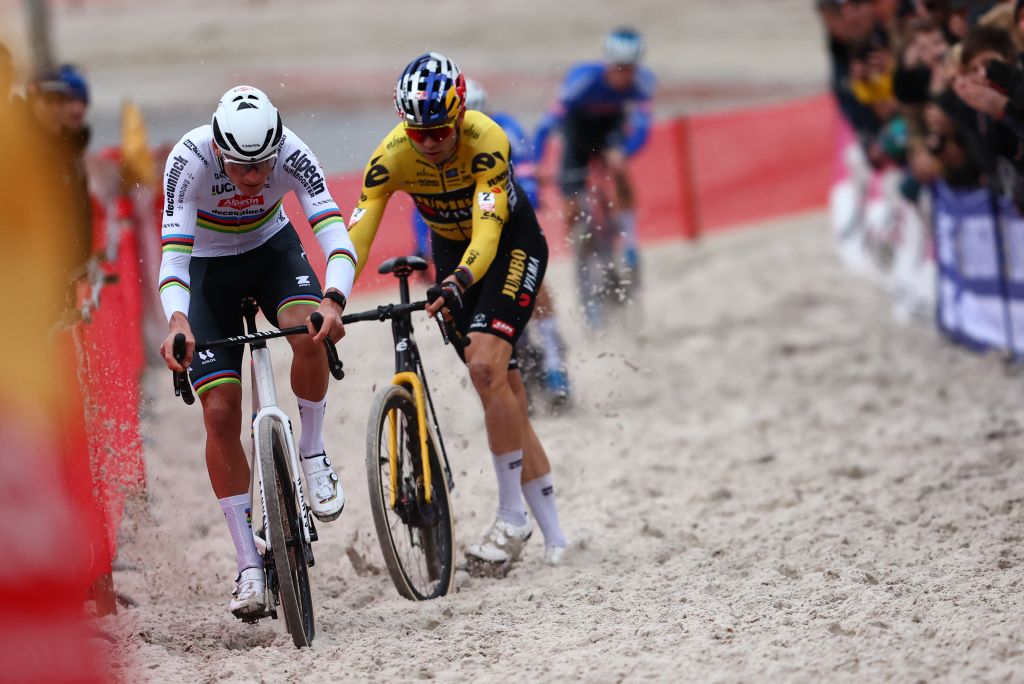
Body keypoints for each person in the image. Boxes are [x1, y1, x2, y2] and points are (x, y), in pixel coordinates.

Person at [347, 53, 570, 567]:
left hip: (509, 245)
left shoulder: (487, 138)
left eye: (439, 131)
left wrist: (460, 280)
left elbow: (489, 229)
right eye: (417, 133)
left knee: (485, 366)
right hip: (451, 252)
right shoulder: (391, 155)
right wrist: (332, 294)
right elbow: (358, 233)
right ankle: (556, 537)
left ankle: (512, 519)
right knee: (502, 387)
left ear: (460, 114)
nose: (428, 144)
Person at [157, 85, 357, 619]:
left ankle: (312, 455)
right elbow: (174, 260)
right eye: (243, 168)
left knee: (308, 331)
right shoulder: (189, 158)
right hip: (207, 270)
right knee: (219, 410)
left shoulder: (292, 151)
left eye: (264, 166)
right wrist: (177, 318)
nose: (255, 178)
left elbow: (336, 235)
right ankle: (248, 562)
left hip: (272, 252)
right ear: (220, 150)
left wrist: (334, 300)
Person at [411, 78, 572, 405]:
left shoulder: (504, 130)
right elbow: (421, 207)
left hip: (507, 220)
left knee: (535, 287)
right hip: (469, 234)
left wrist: (534, 196)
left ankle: (555, 359)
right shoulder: (437, 150)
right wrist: (422, 247)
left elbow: (525, 173)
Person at [533, 27, 655, 293]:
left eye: (630, 69)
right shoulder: (583, 78)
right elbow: (545, 126)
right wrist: (538, 162)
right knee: (571, 204)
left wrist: (624, 151)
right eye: (619, 69)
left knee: (619, 167)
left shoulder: (643, 82)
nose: (625, 76)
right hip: (577, 134)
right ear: (608, 65)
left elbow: (643, 129)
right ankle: (577, 251)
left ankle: (630, 243)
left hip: (610, 131)